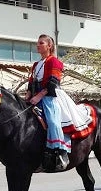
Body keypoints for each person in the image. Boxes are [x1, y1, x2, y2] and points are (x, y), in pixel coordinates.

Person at [25, 34, 70, 172]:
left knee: (53, 122)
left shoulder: (54, 61)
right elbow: (31, 82)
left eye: (41, 43)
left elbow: (53, 82)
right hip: (34, 97)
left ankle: (60, 153)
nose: (38, 45)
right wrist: (27, 95)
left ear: (49, 46)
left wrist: (39, 96)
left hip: (49, 97)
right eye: (37, 43)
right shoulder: (36, 65)